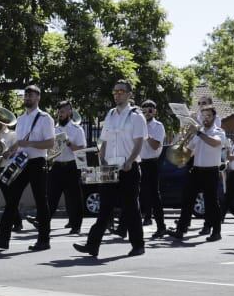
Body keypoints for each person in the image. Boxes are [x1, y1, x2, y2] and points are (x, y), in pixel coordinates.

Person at [76, 81, 146, 259]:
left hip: (129, 167)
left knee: (131, 208)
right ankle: (92, 246)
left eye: (121, 91)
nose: (117, 94)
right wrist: (102, 160)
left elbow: (139, 143)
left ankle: (138, 245)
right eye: (115, 92)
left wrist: (130, 161)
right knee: (104, 207)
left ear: (129, 94)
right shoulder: (110, 114)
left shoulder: (136, 116)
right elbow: (104, 141)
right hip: (110, 167)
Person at [0, 85, 56, 251]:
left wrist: (30, 144)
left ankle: (44, 240)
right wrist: (10, 149)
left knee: (41, 201)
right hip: (21, 162)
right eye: (26, 95)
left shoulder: (45, 118)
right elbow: (20, 142)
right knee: (11, 199)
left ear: (38, 98)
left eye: (31, 95)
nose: (27, 97)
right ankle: (2, 239)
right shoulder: (20, 119)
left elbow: (50, 143)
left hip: (37, 162)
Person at [174, 104, 226, 241]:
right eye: (203, 116)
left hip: (211, 171)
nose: (205, 118)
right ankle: (181, 229)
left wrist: (198, 133)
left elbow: (215, 143)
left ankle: (216, 231)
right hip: (196, 170)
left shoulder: (218, 131)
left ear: (214, 117)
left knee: (211, 202)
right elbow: (190, 150)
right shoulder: (199, 132)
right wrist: (182, 160)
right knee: (187, 199)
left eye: (208, 116)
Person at [49, 99, 87, 235]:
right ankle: (43, 222)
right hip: (57, 165)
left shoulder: (77, 129)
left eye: (63, 111)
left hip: (72, 166)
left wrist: (69, 143)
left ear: (70, 112)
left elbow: (82, 150)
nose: (60, 113)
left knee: (74, 198)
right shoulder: (54, 129)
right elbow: (51, 150)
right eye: (59, 111)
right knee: (51, 195)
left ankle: (76, 226)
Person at [140, 102, 169, 238]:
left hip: (151, 163)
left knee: (154, 196)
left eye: (150, 110)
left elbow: (154, 145)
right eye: (144, 110)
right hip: (139, 162)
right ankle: (124, 226)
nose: (147, 113)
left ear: (154, 111)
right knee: (134, 194)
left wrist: (145, 133)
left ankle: (161, 226)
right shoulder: (138, 124)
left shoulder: (158, 126)